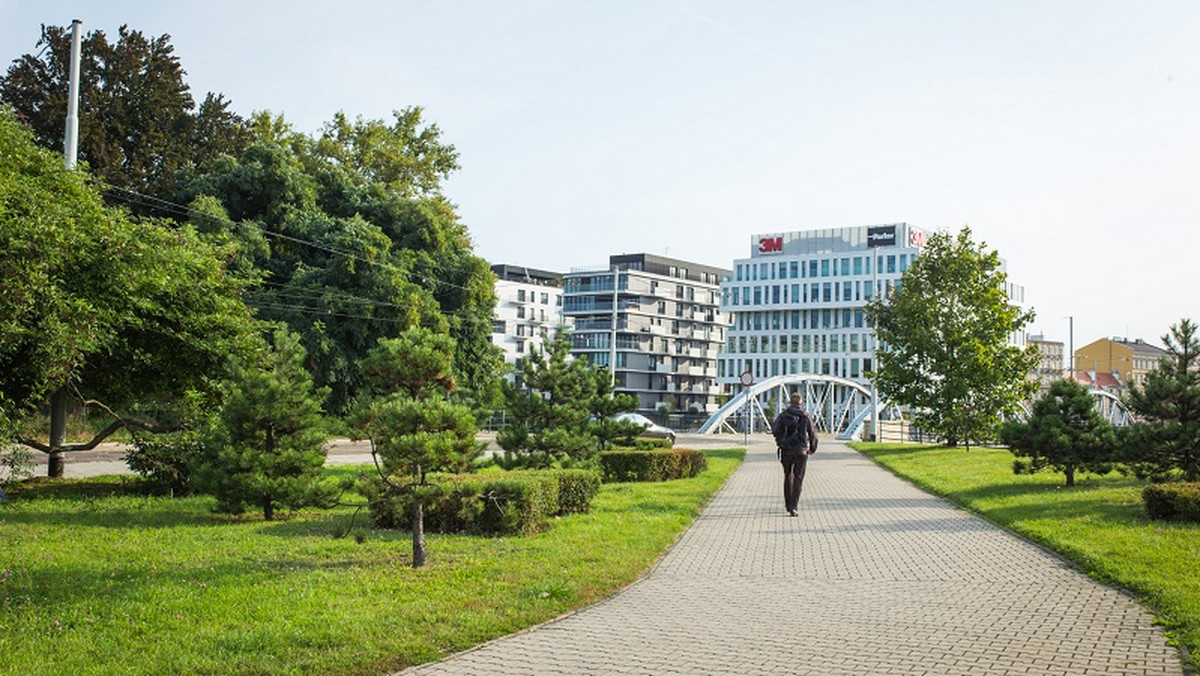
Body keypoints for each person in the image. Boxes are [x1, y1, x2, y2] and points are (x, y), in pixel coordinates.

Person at [771, 392, 817, 516]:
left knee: (787, 476)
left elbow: (774, 430)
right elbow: (812, 434)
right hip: (801, 451)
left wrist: (780, 441)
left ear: (790, 403)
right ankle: (794, 506)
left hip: (786, 450)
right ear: (800, 403)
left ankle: (788, 504)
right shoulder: (805, 416)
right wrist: (812, 448)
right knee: (798, 478)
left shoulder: (783, 415)